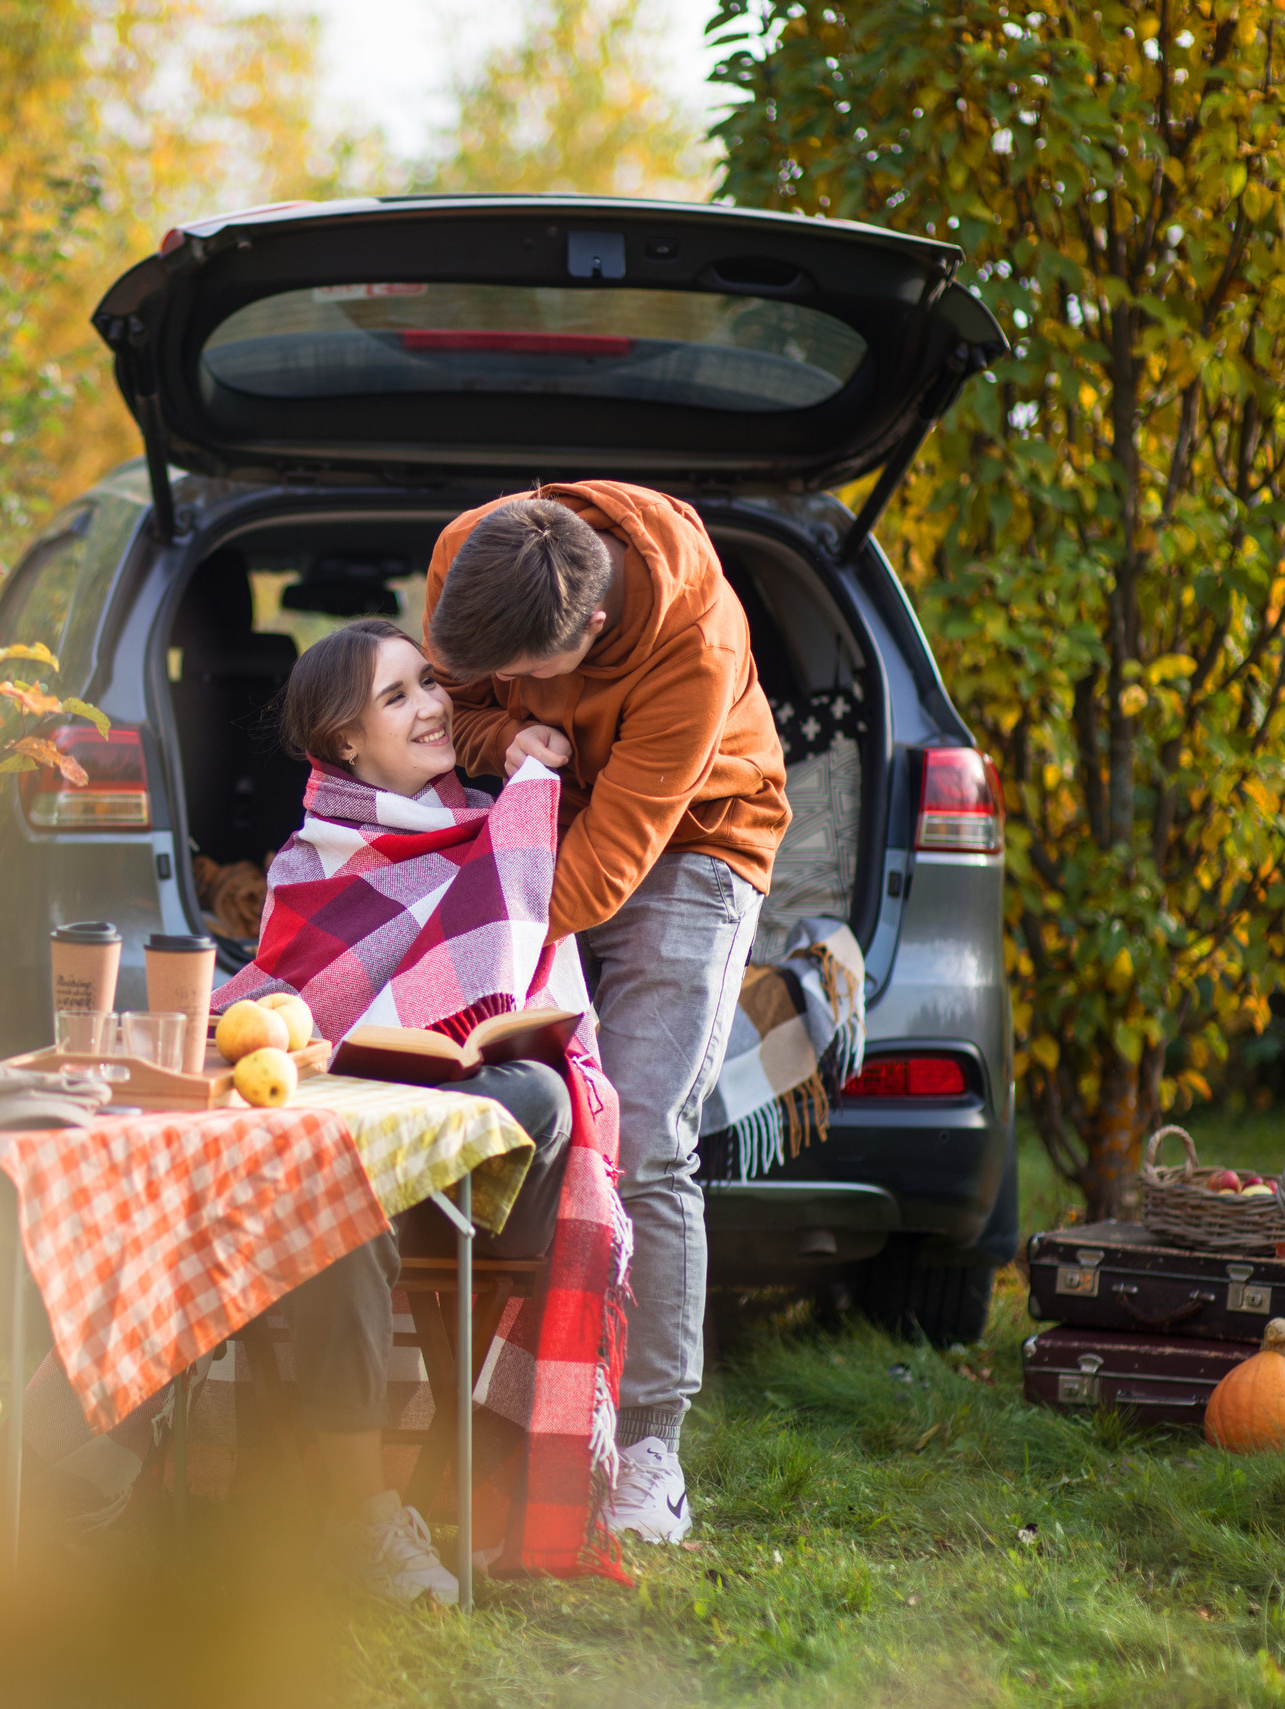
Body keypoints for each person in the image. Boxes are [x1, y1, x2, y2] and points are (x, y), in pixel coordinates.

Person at [211, 617, 628, 1599]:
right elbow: (292, 1002)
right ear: (345, 742)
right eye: (396, 697)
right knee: (336, 1177)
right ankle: (361, 1516)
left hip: (486, 1144)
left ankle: (453, 1470)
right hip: (373, 1135)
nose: (433, 706)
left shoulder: (498, 821)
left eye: (430, 683)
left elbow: (524, 976)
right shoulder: (312, 862)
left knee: (533, 1087)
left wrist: (528, 783)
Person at [422, 486, 790, 1547]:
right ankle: (511, 1406)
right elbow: (456, 708)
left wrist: (478, 945)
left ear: (586, 631)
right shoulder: (474, 549)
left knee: (641, 1126)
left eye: (535, 672)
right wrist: (511, 738)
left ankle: (647, 1447)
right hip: (542, 812)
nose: (516, 681)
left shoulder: (693, 649)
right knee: (518, 1107)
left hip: (694, 841)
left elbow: (597, 878)